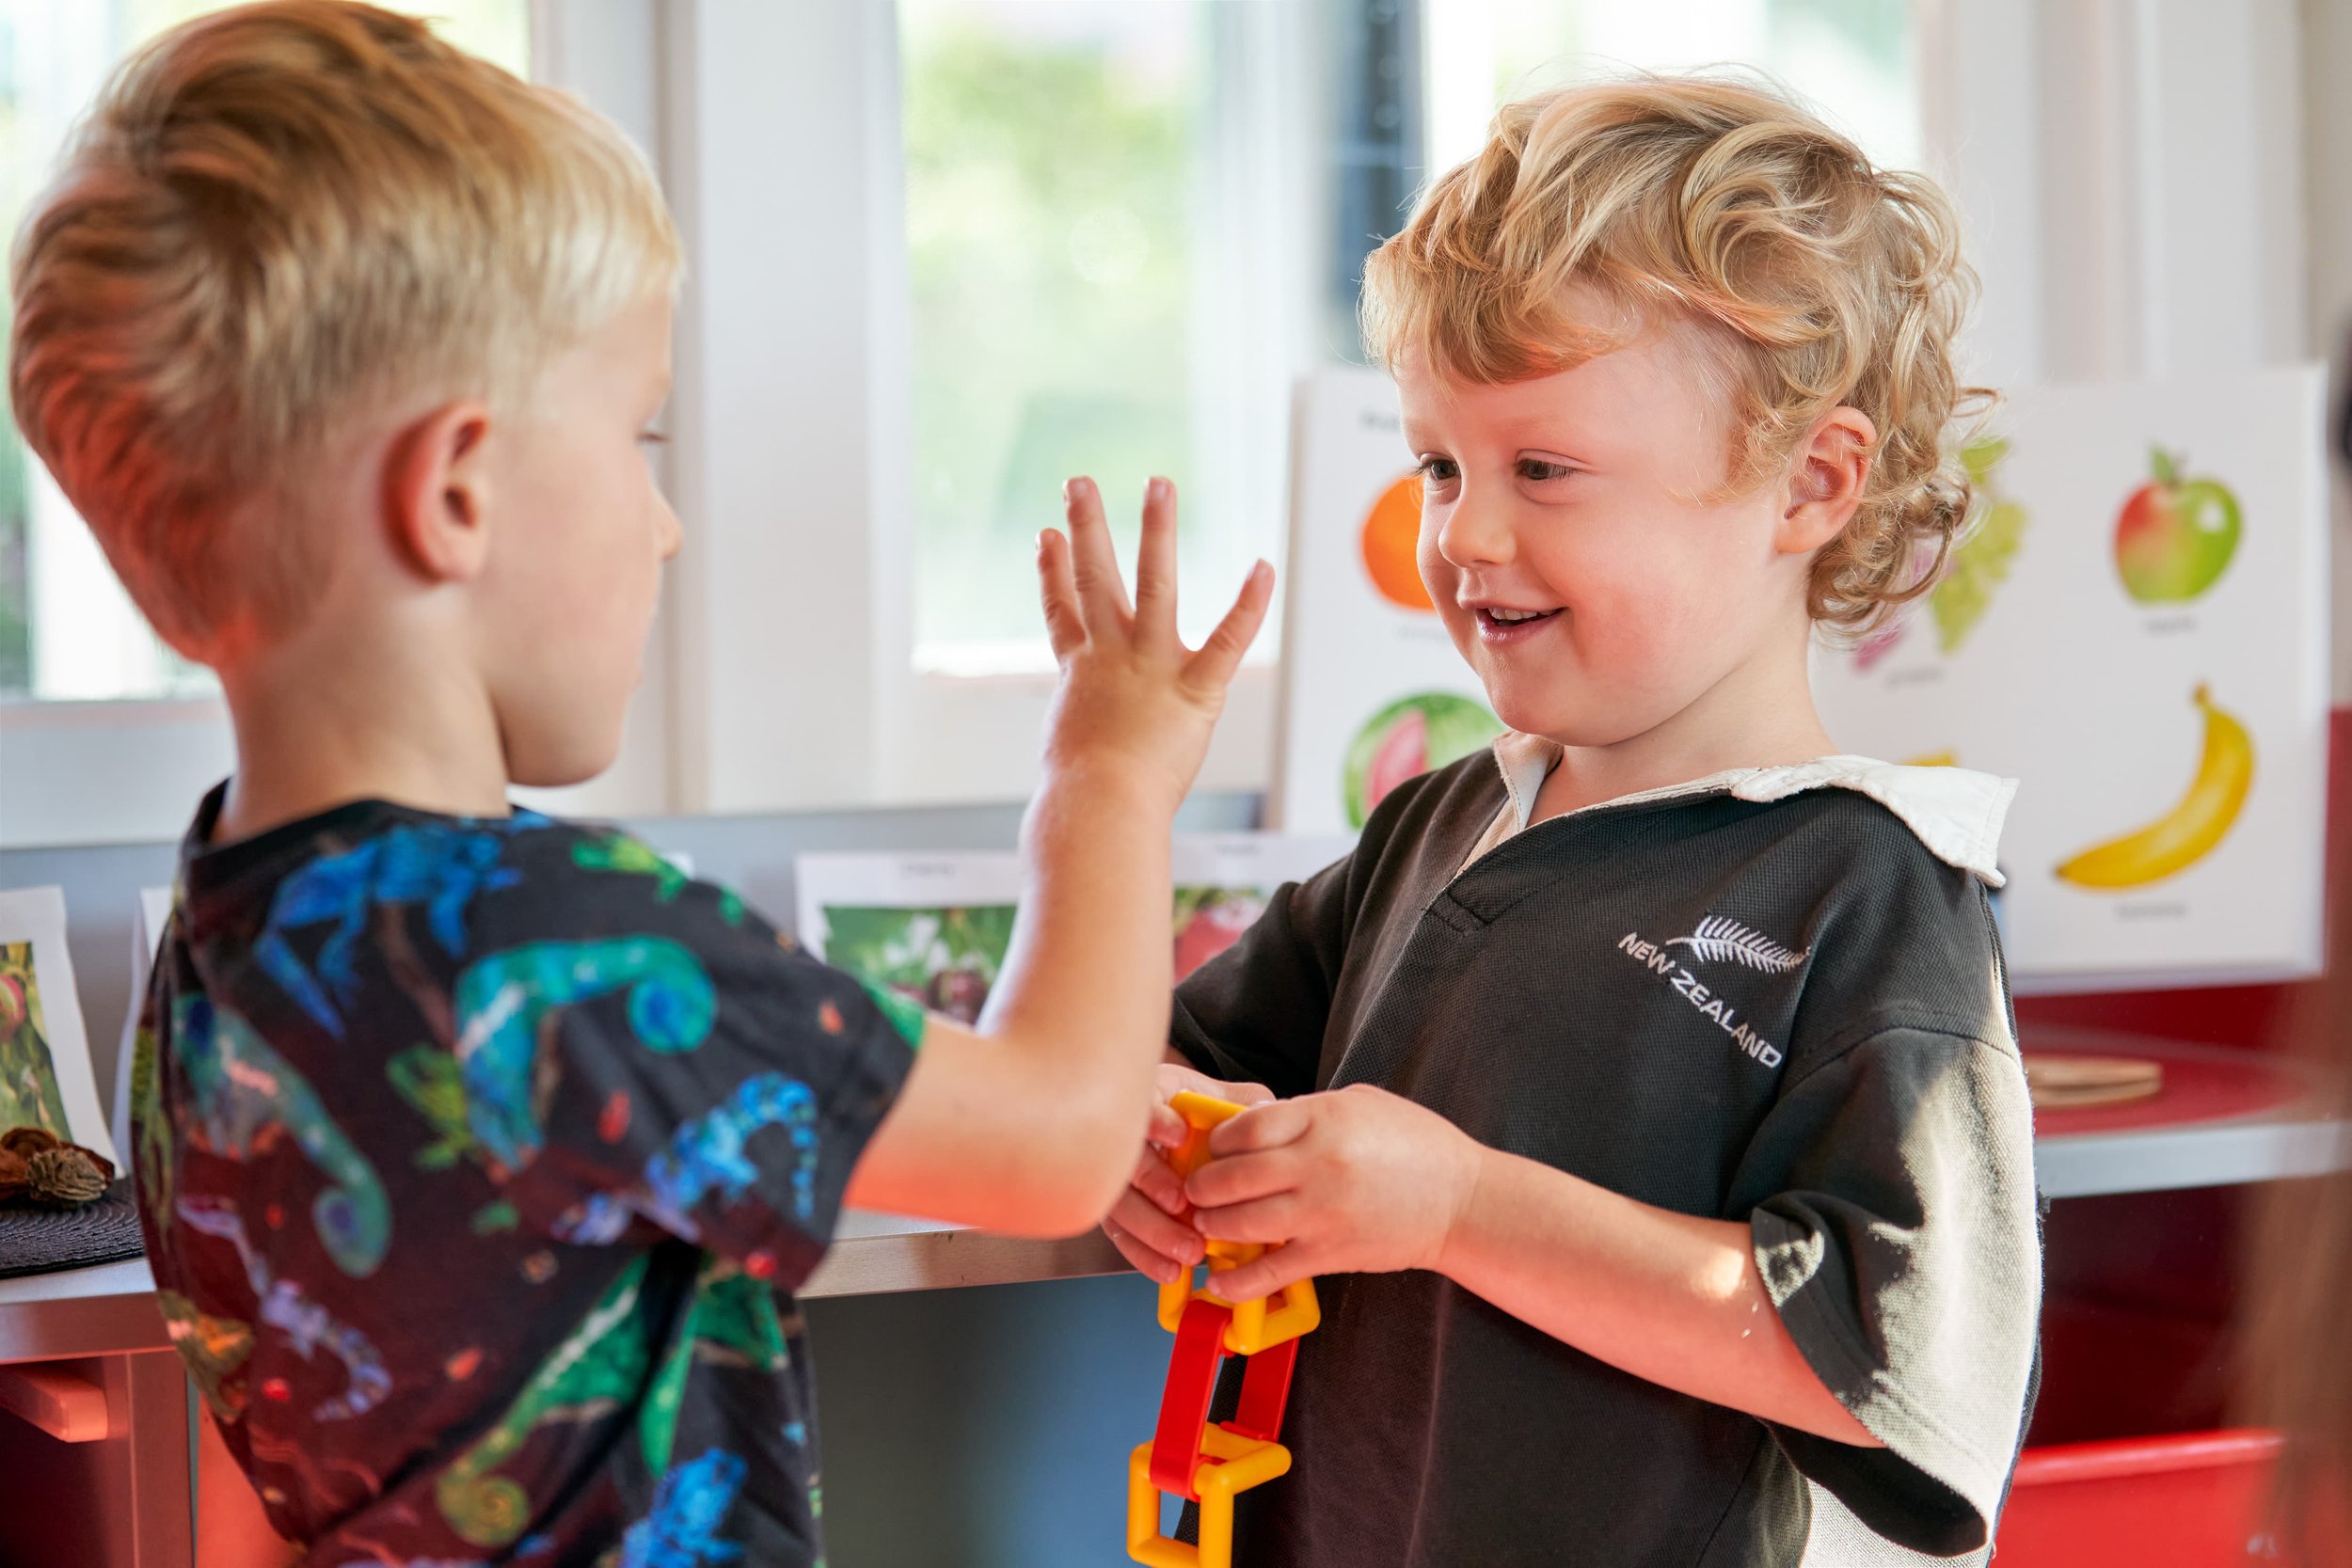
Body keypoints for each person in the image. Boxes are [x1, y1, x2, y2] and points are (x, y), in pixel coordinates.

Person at [6, 4, 1270, 1563]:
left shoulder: (213, 958)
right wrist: (1107, 773)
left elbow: (259, 1488)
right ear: (457, 490)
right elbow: (1055, 1143)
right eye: (637, 433)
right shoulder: (573, 942)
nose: (666, 526)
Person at [1104, 75, 2042, 1565]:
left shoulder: (1868, 889)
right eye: (1441, 465)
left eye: (1544, 469)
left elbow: (1880, 1365)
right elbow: (1180, 1063)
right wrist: (1154, 1150)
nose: (1468, 533)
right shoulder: (1441, 826)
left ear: (1808, 484)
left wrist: (1460, 1208)